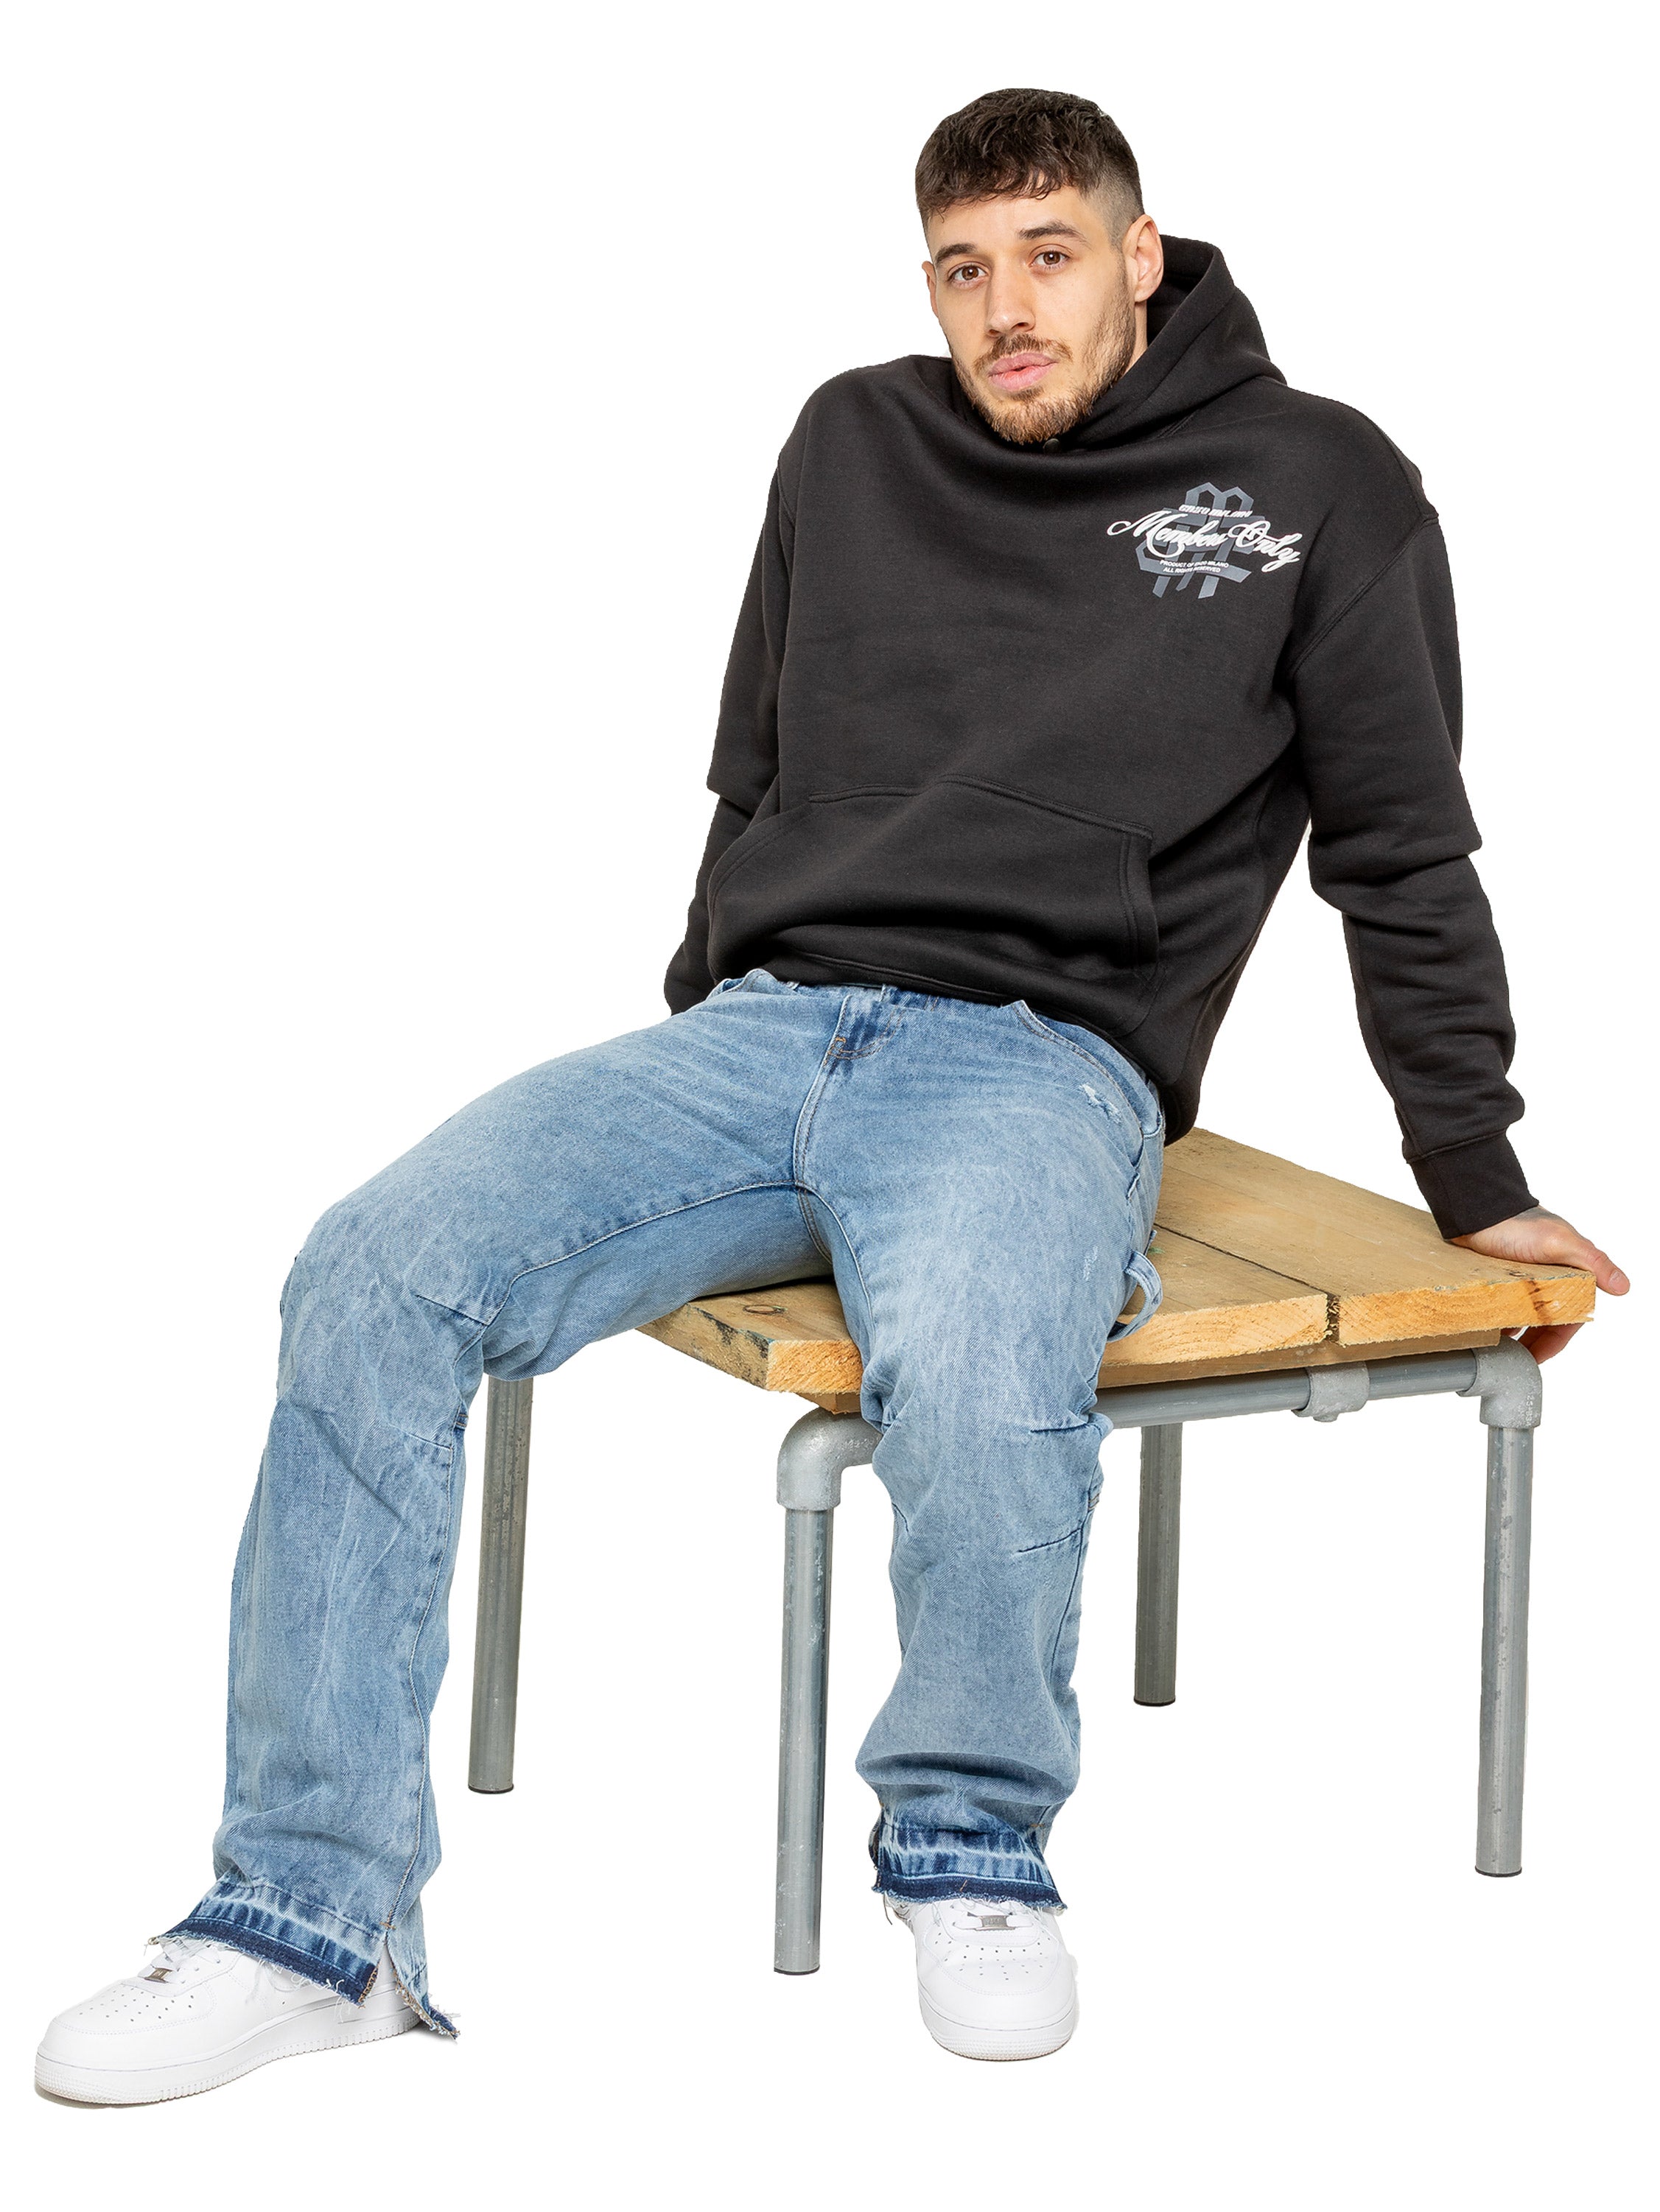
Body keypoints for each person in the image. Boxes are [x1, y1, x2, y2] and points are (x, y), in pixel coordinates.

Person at [36, 85, 1628, 2099]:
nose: (1005, 311)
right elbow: (754, 768)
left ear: (1141, 256)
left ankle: (970, 1845)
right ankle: (305, 1921)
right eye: (962, 271)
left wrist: (1472, 1169)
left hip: (1042, 1058)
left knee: (972, 1328)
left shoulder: (1319, 483)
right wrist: (705, 1019)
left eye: (1049, 256)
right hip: (764, 1029)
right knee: (371, 1266)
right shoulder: (853, 439)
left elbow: (1402, 851)